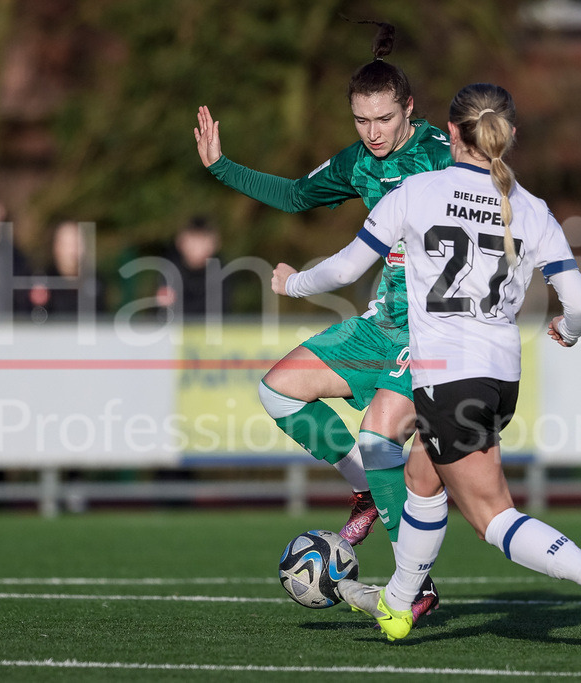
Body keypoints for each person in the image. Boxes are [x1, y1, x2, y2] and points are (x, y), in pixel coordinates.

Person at [272, 83, 581, 642]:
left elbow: (346, 271)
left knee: (491, 517)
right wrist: (567, 332)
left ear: (449, 132)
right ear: (510, 135)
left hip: (449, 377)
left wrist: (294, 283)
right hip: (500, 379)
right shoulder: (532, 207)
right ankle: (400, 605)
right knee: (423, 478)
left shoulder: (419, 191)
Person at [194, 22, 452, 621]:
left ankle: (414, 582)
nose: (374, 133)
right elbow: (293, 196)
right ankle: (363, 488)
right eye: (362, 121)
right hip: (378, 323)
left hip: (431, 331)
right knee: (277, 391)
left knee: (381, 438)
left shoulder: (444, 155)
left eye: (384, 119)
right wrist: (222, 167)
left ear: (408, 107)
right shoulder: (359, 162)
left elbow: (500, 200)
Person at [28, 220, 107, 319]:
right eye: (68, 244)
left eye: (77, 243)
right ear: (56, 247)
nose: (73, 250)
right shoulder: (43, 282)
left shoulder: (95, 282)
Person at [154, 215, 227, 317]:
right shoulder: (171, 269)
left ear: (215, 243)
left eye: (202, 240)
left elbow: (221, 309)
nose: (197, 247)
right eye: (193, 239)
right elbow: (164, 309)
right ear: (180, 241)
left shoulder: (221, 271)